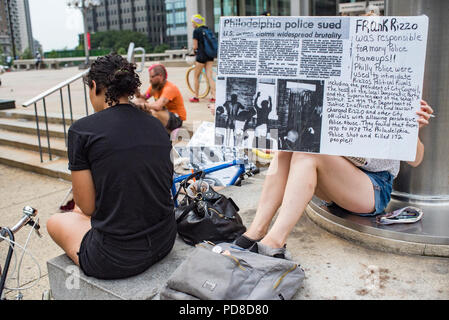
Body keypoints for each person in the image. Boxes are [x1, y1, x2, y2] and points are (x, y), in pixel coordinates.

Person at [233, 100, 434, 259]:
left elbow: (417, 160)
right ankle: (256, 230)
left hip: (373, 188)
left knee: (308, 155)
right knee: (287, 147)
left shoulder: (393, 95)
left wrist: (412, 129)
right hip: (335, 180)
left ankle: (274, 243)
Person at [46, 54, 177, 279]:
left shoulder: (82, 131)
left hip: (115, 257)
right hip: (165, 240)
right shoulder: (155, 125)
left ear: (94, 86)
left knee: (55, 221)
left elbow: (87, 207)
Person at [134, 64, 186, 132]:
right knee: (138, 101)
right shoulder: (154, 87)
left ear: (160, 76)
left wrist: (142, 106)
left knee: (152, 112)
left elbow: (157, 106)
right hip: (164, 113)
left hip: (176, 119)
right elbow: (143, 98)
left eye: (152, 77)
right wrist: (136, 91)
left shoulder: (169, 88)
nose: (150, 80)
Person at [189, 14, 216, 103]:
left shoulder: (196, 31)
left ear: (196, 23)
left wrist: (193, 51)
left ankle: (196, 97)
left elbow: (195, 46)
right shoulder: (207, 29)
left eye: (193, 22)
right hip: (210, 55)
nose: (192, 24)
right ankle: (214, 96)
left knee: (196, 76)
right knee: (209, 76)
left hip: (201, 56)